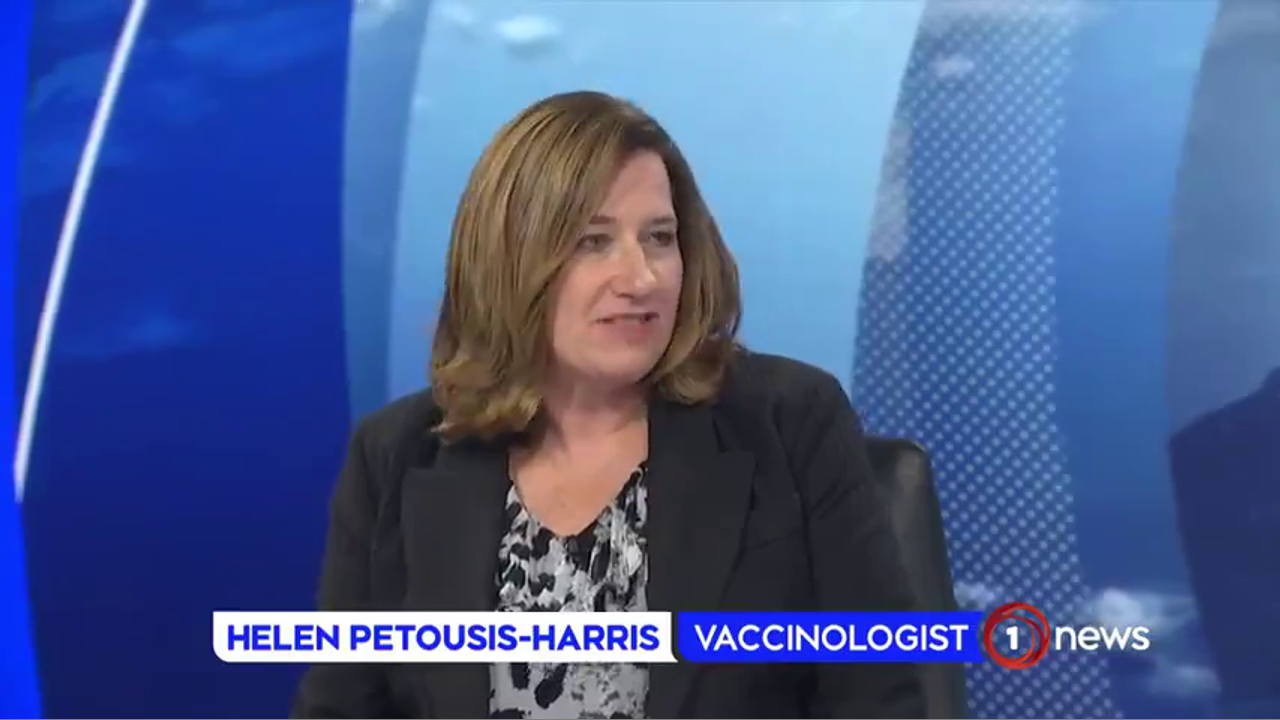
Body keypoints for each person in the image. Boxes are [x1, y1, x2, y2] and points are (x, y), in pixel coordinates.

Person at [291, 90, 927, 719]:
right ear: (508, 264)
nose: (641, 278)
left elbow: (877, 699)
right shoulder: (394, 456)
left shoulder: (790, 422)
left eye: (660, 238)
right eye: (593, 242)